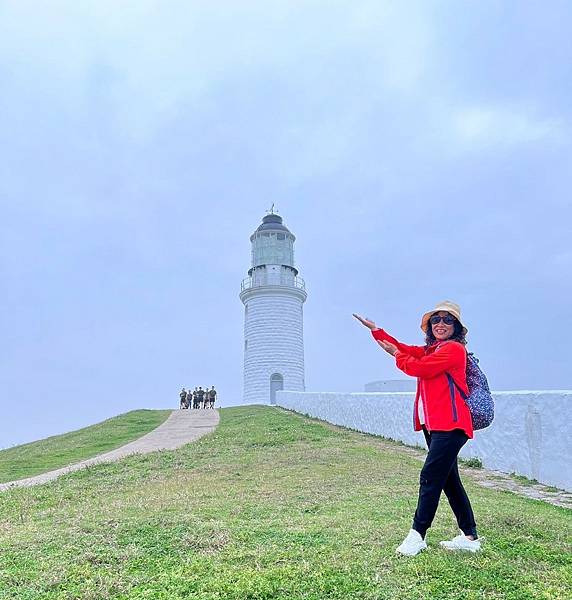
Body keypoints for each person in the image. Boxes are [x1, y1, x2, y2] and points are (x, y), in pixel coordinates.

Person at [354, 301, 481, 556]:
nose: (441, 324)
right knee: (449, 480)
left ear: (456, 327)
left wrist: (398, 355)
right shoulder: (432, 349)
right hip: (434, 425)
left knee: (430, 476)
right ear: (429, 326)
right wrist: (377, 330)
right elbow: (401, 348)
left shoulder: (454, 350)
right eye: (436, 320)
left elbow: (417, 367)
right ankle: (470, 537)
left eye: (448, 320)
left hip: (452, 424)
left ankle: (417, 535)